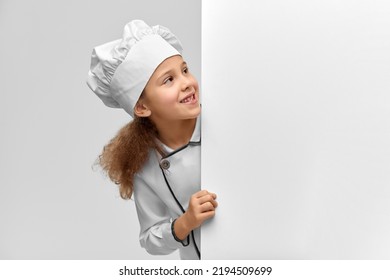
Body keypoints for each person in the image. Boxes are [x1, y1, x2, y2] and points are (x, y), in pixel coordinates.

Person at [86, 19, 217, 260]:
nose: (187, 83)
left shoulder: (222, 125)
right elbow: (150, 239)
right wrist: (185, 222)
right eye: (169, 80)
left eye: (185, 70)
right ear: (142, 106)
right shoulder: (145, 167)